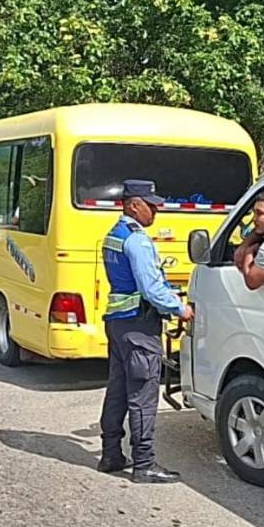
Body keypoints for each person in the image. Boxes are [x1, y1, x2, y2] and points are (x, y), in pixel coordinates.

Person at [98, 179, 193, 484]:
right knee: (142, 395)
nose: (156, 211)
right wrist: (180, 309)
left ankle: (111, 453)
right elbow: (150, 288)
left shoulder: (113, 235)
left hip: (118, 324)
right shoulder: (137, 240)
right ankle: (144, 464)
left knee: (118, 390)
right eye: (150, 205)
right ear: (133, 204)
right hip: (139, 326)